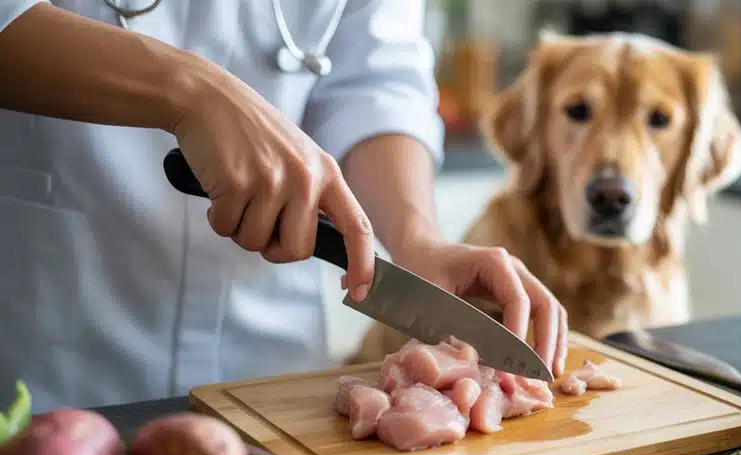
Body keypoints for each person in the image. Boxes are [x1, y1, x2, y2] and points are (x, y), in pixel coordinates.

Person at [0, 0, 568, 414]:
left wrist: (418, 242)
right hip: (56, 369)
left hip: (275, 389)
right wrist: (190, 90)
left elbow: (375, 80)